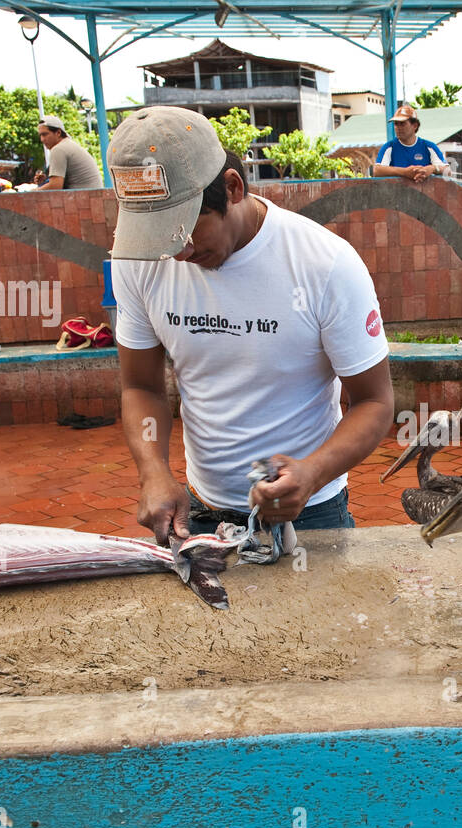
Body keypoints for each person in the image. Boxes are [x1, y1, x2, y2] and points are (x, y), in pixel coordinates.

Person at [109, 106, 394, 544]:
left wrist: (312, 472)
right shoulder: (141, 263)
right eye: (157, 237)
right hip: (200, 511)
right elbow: (141, 388)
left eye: (184, 232)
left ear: (232, 188)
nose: (176, 255)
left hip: (310, 512)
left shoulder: (325, 264)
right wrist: (154, 473)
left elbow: (374, 401)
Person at [372, 105, 448, 183]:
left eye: (402, 123)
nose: (398, 127)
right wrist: (405, 172)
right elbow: (377, 170)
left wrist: (432, 169)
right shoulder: (389, 147)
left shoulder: (429, 146)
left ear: (415, 125)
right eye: (396, 124)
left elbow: (447, 171)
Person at [35, 115, 103, 190]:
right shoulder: (67, 144)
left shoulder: (58, 149)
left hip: (84, 198)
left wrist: (31, 192)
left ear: (58, 133)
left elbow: (55, 186)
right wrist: (45, 181)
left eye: (45, 134)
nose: (42, 139)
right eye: (40, 135)